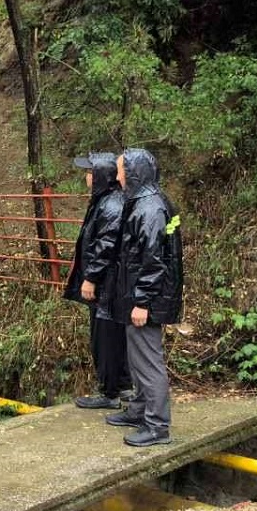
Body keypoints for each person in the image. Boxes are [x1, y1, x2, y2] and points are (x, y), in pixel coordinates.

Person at [105, 147, 183, 447]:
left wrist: (142, 302)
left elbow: (154, 261)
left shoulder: (149, 208)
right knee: (138, 359)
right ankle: (139, 411)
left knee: (148, 362)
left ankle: (157, 426)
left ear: (135, 173)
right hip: (137, 296)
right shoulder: (148, 201)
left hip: (145, 300)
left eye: (122, 170)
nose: (118, 175)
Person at [63, 153, 132, 409]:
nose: (86, 177)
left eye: (90, 172)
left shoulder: (111, 204)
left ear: (101, 175)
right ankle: (122, 386)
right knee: (113, 336)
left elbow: (106, 244)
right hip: (112, 284)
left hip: (107, 285)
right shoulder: (106, 200)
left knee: (104, 338)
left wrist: (91, 278)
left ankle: (109, 393)